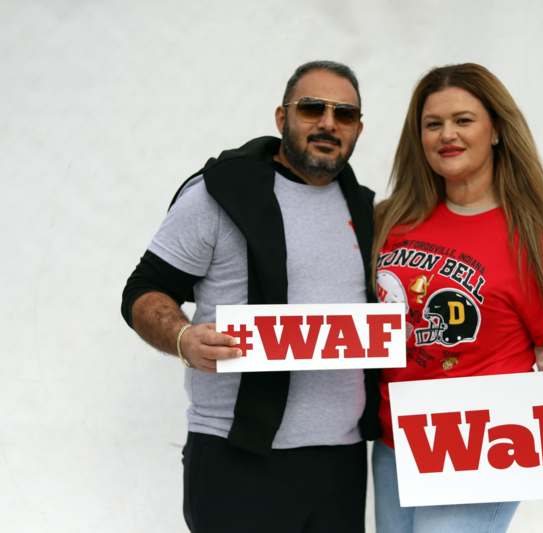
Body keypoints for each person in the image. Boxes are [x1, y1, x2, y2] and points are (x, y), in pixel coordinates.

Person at [121, 60, 379, 533]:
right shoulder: (217, 194)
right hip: (236, 457)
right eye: (312, 108)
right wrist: (182, 339)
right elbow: (143, 290)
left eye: (344, 114)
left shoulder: (364, 207)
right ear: (282, 119)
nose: (327, 122)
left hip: (339, 464)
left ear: (358, 129)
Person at [371, 63, 543, 532]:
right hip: (397, 443)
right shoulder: (391, 221)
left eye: (463, 120)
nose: (446, 135)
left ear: (495, 129)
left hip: (480, 450)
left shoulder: (536, 240)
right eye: (432, 124)